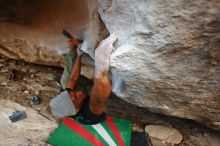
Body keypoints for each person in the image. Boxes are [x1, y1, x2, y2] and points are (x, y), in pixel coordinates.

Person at [50, 34, 117, 125]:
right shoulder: (90, 113)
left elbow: (73, 78)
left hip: (77, 99)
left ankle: (73, 49)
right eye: (77, 98)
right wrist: (100, 69)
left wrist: (78, 55)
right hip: (98, 106)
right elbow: (98, 99)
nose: (79, 93)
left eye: (72, 93)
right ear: (76, 110)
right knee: (99, 96)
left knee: (65, 81)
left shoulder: (68, 96)